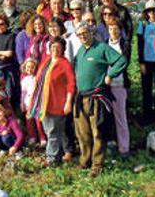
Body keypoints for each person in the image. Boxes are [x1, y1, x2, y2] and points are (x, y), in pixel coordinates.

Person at [72, 24, 128, 177]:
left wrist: (110, 75)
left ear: (91, 32)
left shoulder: (102, 48)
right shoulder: (81, 51)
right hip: (81, 97)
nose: (83, 36)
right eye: (79, 34)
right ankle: (85, 161)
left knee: (98, 132)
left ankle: (97, 165)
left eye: (85, 33)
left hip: (96, 97)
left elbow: (121, 61)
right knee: (83, 133)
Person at [28, 38, 76, 166]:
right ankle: (56, 156)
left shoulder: (65, 64)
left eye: (58, 47)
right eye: (53, 47)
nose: (55, 49)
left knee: (53, 132)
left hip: (57, 103)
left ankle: (52, 160)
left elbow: (71, 85)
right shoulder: (47, 60)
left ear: (63, 49)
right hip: (44, 103)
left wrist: (68, 101)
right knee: (50, 131)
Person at [104, 17, 131, 157]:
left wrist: (112, 74)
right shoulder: (104, 43)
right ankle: (110, 144)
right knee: (107, 117)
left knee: (120, 117)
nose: (113, 31)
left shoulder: (125, 44)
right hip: (105, 86)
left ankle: (124, 148)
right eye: (110, 28)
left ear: (120, 30)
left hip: (119, 84)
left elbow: (124, 62)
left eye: (115, 28)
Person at [137, 0, 155, 122]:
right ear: (146, 13)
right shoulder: (142, 25)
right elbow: (139, 45)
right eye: (149, 11)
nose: (152, 13)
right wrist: (141, 62)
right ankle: (146, 115)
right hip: (146, 61)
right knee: (146, 88)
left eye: (154, 11)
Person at [20, 58, 45, 147]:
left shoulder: (37, 78)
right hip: (27, 104)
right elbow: (23, 93)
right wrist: (22, 104)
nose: (30, 69)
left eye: (32, 67)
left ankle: (42, 137)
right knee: (29, 121)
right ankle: (32, 137)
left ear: (35, 68)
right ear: (25, 68)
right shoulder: (24, 80)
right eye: (28, 68)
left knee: (38, 121)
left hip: (37, 104)